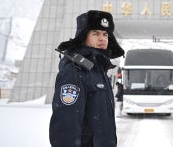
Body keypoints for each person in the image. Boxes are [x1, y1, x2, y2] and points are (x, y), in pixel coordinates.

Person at [49, 10, 124, 147]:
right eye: (95, 33)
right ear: (83, 36)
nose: (102, 38)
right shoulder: (74, 71)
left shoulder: (99, 70)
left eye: (105, 34)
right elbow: (66, 125)